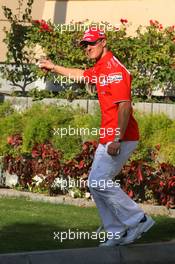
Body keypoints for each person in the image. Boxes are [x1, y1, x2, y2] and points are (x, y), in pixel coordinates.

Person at [38, 27, 155, 246]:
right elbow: (81, 75)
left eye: (92, 43)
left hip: (122, 136)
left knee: (100, 180)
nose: (88, 48)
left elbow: (125, 107)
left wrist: (117, 139)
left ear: (103, 41)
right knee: (95, 183)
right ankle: (116, 231)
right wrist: (53, 67)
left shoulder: (115, 69)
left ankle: (138, 219)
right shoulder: (100, 67)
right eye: (85, 45)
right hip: (108, 135)